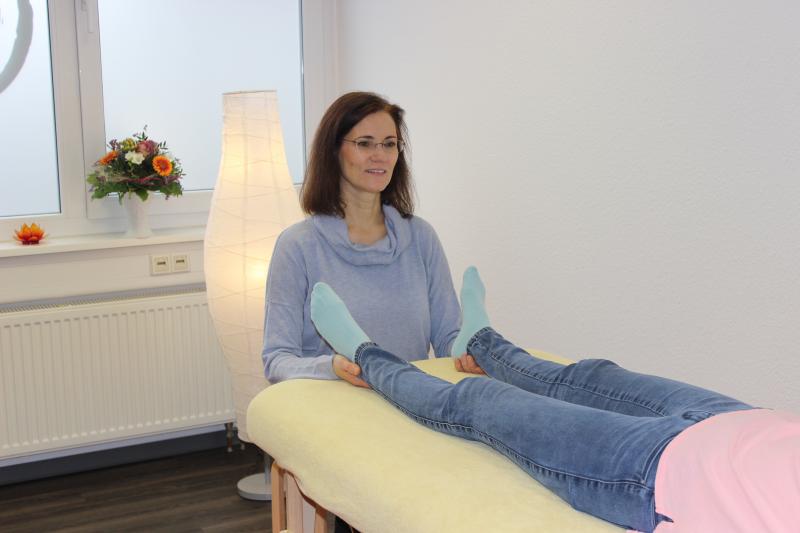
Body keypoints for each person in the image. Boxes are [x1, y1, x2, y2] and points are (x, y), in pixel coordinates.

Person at [308, 267, 800, 532]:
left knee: (485, 403)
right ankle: (480, 339)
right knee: (587, 375)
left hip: (659, 475)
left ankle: (366, 354)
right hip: (746, 423)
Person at [262, 92, 460, 387]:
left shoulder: (421, 238)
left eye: (389, 144)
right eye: (364, 143)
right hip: (336, 402)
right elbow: (277, 359)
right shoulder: (297, 246)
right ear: (333, 150)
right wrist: (331, 367)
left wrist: (469, 352)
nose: (380, 155)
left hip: (415, 398)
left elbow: (448, 338)